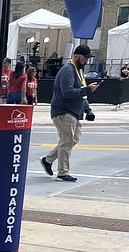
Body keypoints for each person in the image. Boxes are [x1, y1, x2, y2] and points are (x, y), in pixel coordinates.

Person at [40, 44, 99, 183]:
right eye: (85, 58)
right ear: (77, 56)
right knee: (67, 141)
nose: (86, 61)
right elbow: (67, 92)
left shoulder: (77, 71)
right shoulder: (68, 70)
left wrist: (87, 109)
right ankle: (63, 173)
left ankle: (47, 160)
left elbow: (81, 93)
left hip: (74, 112)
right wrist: (88, 90)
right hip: (63, 111)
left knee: (73, 139)